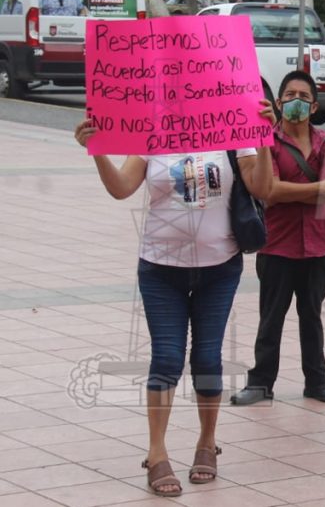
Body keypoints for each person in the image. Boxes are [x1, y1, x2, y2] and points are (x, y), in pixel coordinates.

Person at [73, 102, 275, 496]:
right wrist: (96, 150)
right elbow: (121, 188)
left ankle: (206, 443)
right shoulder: (153, 128)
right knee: (166, 357)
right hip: (160, 267)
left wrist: (264, 138)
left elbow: (262, 187)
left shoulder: (232, 124)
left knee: (207, 357)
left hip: (219, 267)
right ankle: (156, 451)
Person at [230, 71, 325, 406]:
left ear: (314, 106)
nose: (297, 101)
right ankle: (260, 383)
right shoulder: (268, 141)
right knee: (271, 318)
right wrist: (312, 190)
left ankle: (317, 381)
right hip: (277, 245)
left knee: (312, 317)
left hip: (319, 246)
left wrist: (293, 192)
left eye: (304, 97)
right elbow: (269, 192)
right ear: (279, 103)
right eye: (290, 95)